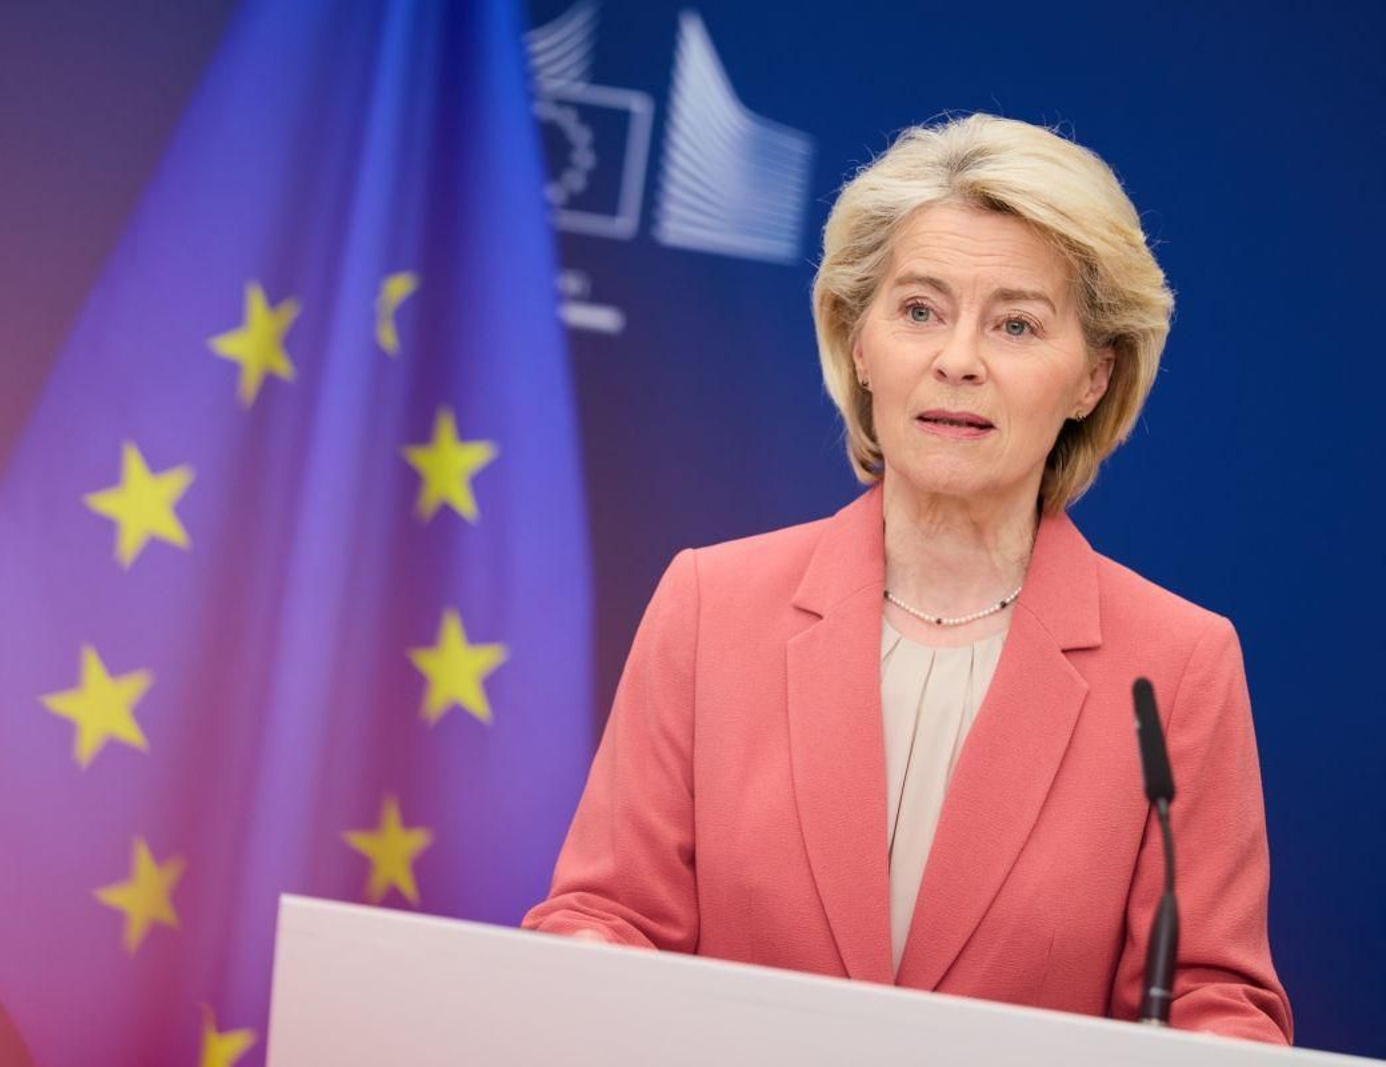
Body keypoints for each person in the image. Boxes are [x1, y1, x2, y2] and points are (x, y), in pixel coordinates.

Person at [521, 113, 1292, 1044]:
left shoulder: (1175, 667)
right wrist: (593, 971)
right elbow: (604, 917)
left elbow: (1217, 1001)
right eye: (919, 309)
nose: (957, 359)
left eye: (1015, 323)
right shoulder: (711, 604)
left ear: (1092, 376)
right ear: (858, 341)